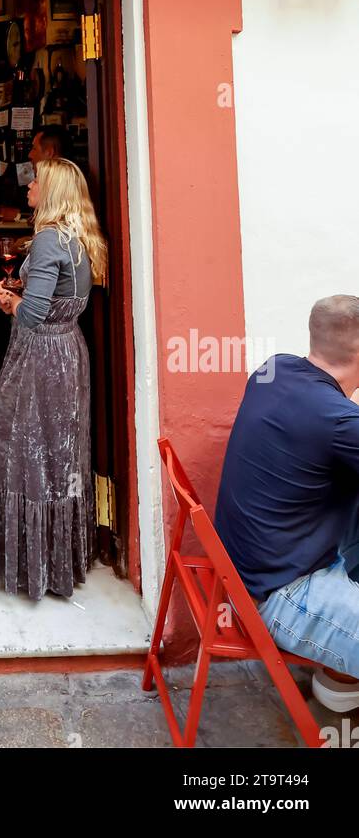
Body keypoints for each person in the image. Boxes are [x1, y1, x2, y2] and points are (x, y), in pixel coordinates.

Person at [215, 295, 359, 714]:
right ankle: (342, 672)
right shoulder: (335, 419)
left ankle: (341, 675)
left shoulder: (272, 369)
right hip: (283, 597)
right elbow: (335, 423)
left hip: (259, 569)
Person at [0, 157, 107, 600]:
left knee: (16, 445)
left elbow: (31, 314)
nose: (27, 188)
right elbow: (61, 299)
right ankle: (58, 558)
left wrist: (11, 302)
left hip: (42, 354)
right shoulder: (78, 236)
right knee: (60, 452)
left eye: (36, 183)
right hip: (69, 350)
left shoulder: (49, 239)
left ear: (51, 193)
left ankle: (28, 562)